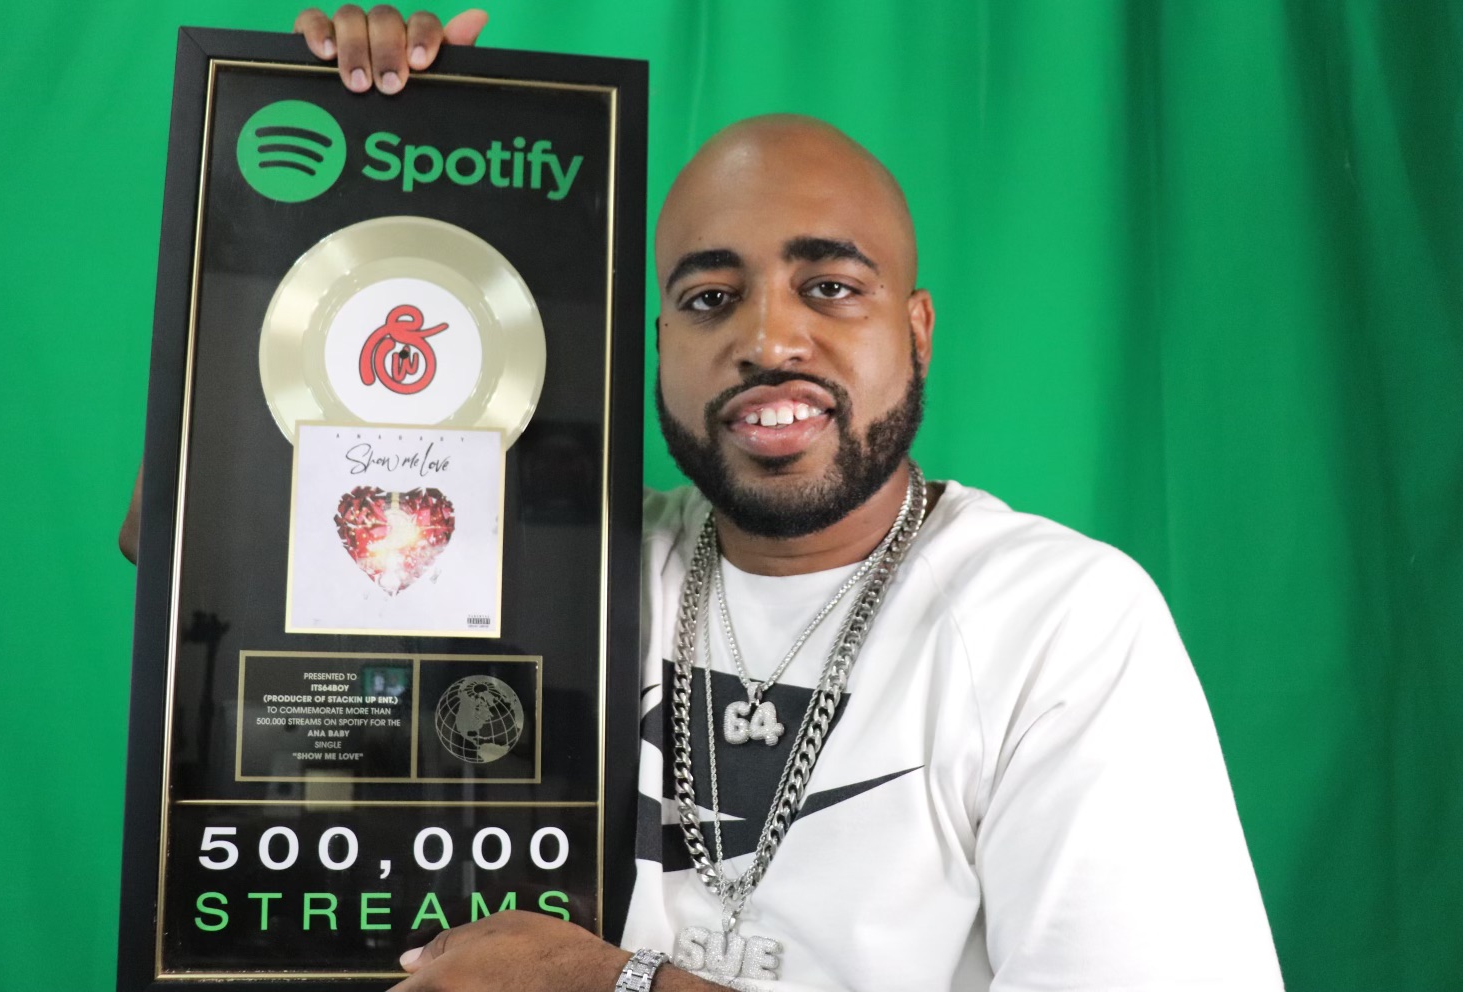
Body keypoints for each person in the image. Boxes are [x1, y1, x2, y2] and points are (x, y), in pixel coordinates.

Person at [121, 8, 1285, 990]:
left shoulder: (1060, 619)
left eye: (831, 285)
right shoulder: (571, 561)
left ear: (917, 330)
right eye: (711, 297)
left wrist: (617, 983)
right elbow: (189, 537)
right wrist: (366, 167)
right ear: (658, 343)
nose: (770, 339)